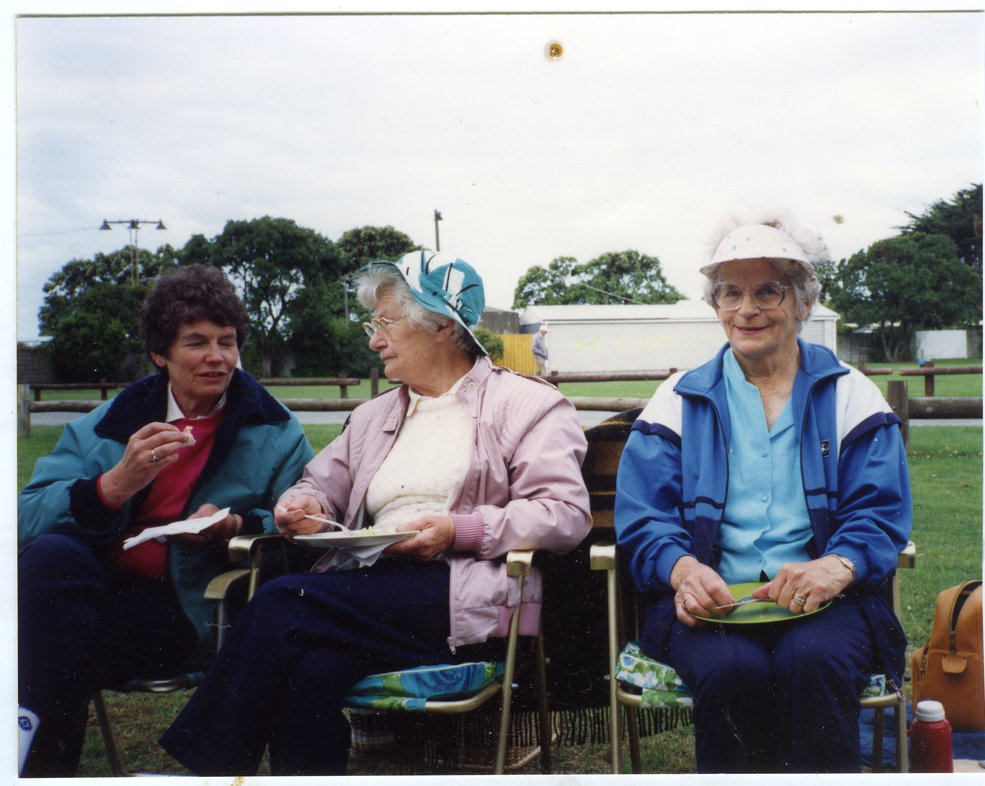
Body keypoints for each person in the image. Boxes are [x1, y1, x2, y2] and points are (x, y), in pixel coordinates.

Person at [160, 250, 592, 776]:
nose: (373, 340)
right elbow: (318, 482)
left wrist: (456, 529)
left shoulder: (527, 405)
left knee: (279, 603)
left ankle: (203, 771)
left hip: (464, 597)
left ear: (440, 326)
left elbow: (564, 513)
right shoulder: (375, 415)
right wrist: (306, 505)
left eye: (385, 324)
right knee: (309, 668)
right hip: (369, 592)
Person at [614, 212, 912, 773]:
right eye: (730, 292)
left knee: (815, 659)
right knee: (732, 668)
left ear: (804, 302)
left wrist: (835, 566)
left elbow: (879, 512)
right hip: (712, 604)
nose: (746, 309)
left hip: (827, 603)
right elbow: (642, 516)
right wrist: (681, 569)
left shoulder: (852, 396)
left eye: (768, 290)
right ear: (715, 305)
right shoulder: (678, 399)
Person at [17, 265, 315, 777]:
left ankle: (35, 759)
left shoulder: (276, 431)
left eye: (227, 342)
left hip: (198, 610)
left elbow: (302, 521)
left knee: (48, 638)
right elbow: (23, 520)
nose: (217, 357)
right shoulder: (108, 424)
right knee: (49, 560)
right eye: (197, 342)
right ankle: (39, 768)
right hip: (94, 597)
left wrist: (235, 525)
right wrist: (113, 487)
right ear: (160, 354)